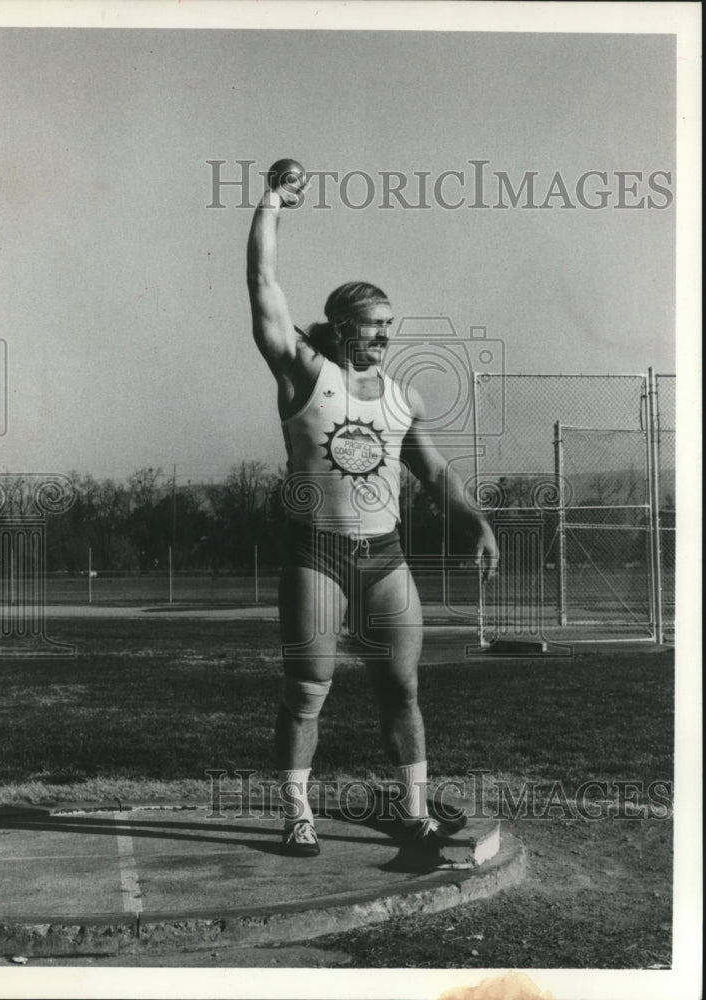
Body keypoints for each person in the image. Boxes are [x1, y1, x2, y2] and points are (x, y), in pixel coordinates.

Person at [246, 169, 498, 871]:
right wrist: (271, 204)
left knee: (403, 689)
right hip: (314, 554)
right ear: (341, 326)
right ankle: (297, 815)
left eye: (390, 326)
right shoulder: (302, 374)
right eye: (371, 326)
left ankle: (413, 814)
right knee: (306, 691)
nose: (384, 336)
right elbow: (262, 285)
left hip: (383, 557)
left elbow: (437, 473)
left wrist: (473, 519)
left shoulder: (400, 396)